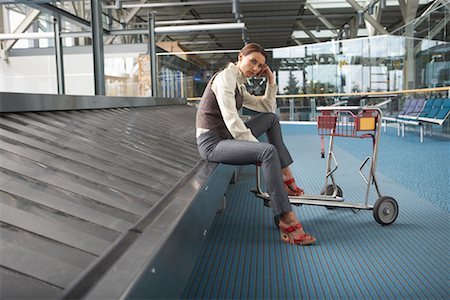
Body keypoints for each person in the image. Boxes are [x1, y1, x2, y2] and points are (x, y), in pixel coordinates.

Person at [195, 43, 316, 246]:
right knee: (267, 152)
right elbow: (232, 120)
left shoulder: (239, 83)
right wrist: (256, 149)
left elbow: (266, 107)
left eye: (260, 66)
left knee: (271, 118)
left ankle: (285, 175)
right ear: (240, 56)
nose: (256, 68)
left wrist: (271, 80)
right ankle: (285, 218)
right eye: (253, 61)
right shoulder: (226, 77)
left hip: (226, 138)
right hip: (212, 143)